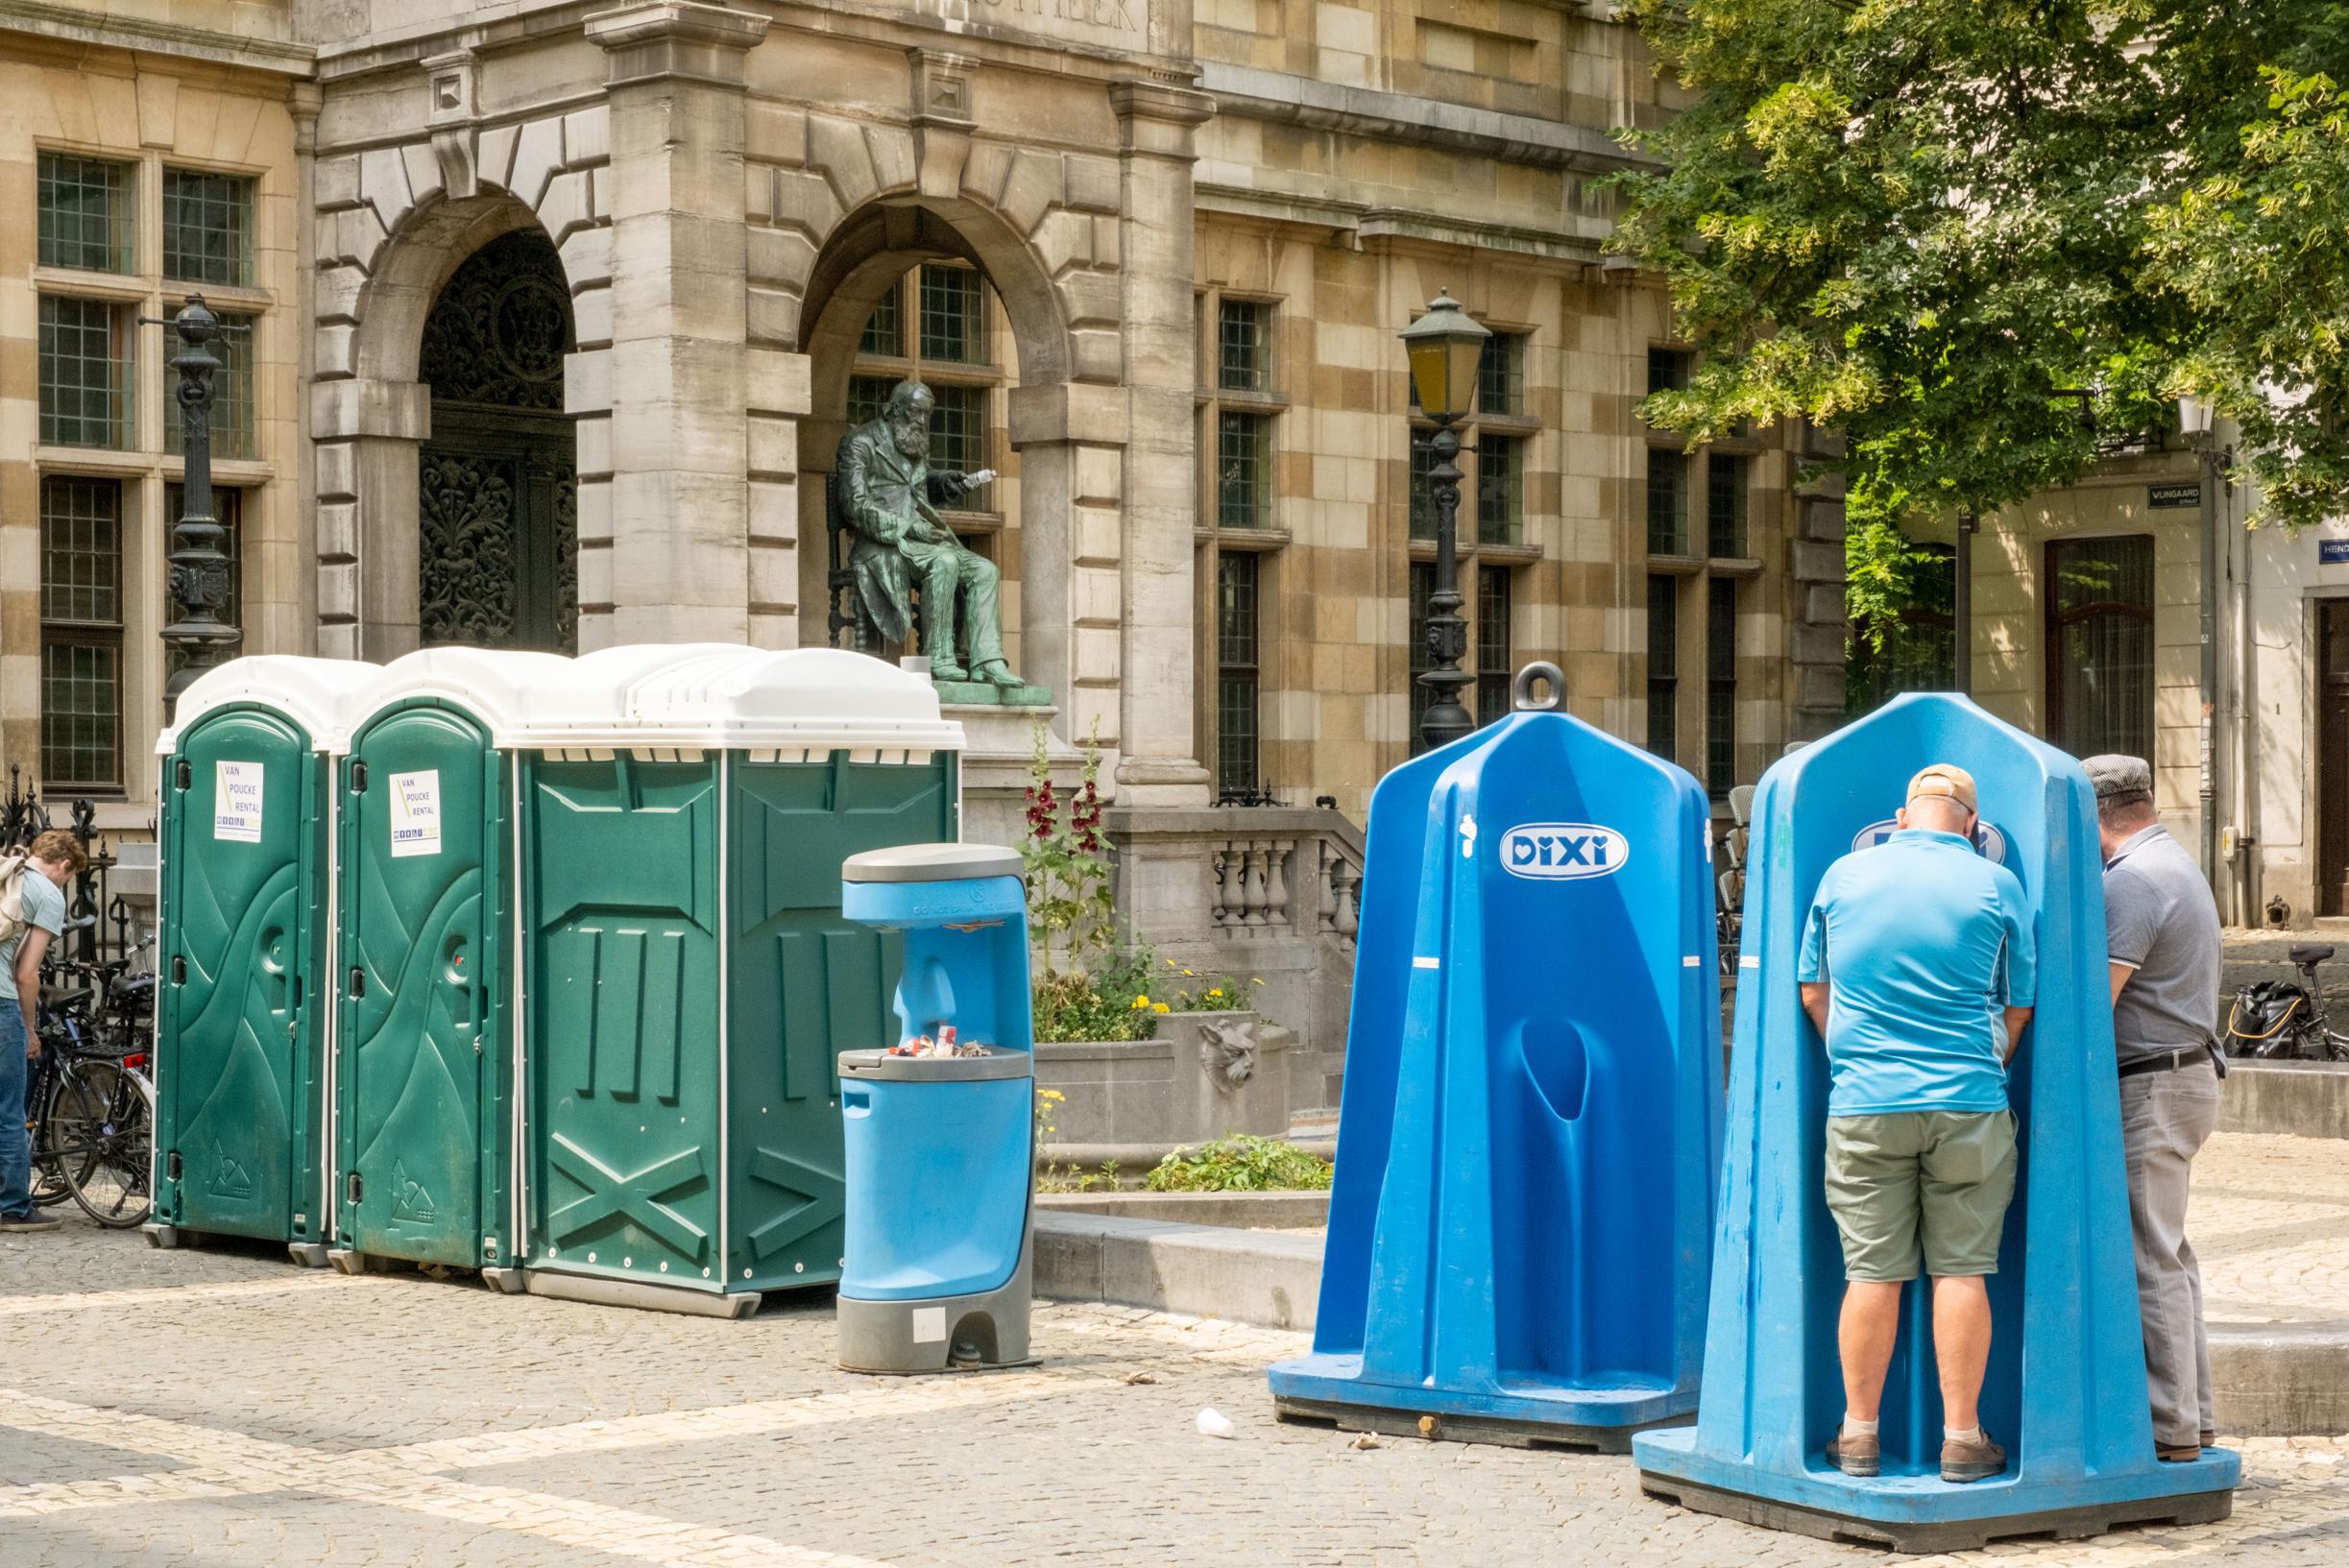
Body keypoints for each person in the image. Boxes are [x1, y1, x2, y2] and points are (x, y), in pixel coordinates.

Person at [1798, 763, 2035, 1483]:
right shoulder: (1998, 885)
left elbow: (1813, 987)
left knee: (1871, 1272)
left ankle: (1859, 1434)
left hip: (1866, 1102)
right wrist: (1983, 1060)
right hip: (1968, 1101)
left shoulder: (1843, 876)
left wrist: (1853, 1056)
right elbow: (2019, 1003)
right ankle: (1963, 1438)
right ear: (1971, 824)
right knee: (1962, 1270)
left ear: (1903, 816)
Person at [2083, 754, 2225, 1464]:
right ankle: (2192, 1417)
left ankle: (2171, 1427)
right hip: (2184, 1074)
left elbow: (2093, 1003)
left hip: (2153, 1081)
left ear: (2094, 816)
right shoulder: (2173, 859)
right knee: (2173, 1254)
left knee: (2152, 1258)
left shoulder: (2131, 882)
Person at [835, 379, 1026, 688]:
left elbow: (916, 490)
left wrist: (945, 482)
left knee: (985, 570)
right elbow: (854, 504)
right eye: (915, 412)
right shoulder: (860, 443)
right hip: (883, 543)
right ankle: (938, 657)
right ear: (894, 410)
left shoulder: (913, 441)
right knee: (946, 562)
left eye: (927, 414)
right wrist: (907, 526)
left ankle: (988, 661)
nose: (922, 421)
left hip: (923, 540)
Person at [1, 829, 85, 1232]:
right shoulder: (47, 894)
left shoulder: (7, 869)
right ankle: (13, 1207)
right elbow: (26, 974)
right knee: (8, 1109)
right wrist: (30, 1029)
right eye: (68, 878)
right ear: (65, 865)